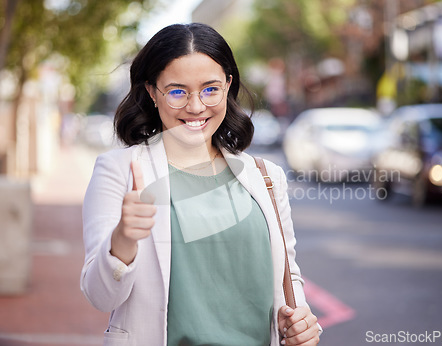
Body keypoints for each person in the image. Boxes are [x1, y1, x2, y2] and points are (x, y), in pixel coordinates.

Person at [81, 23, 321, 346]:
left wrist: (300, 322)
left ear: (228, 86)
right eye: (178, 91)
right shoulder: (119, 171)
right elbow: (100, 296)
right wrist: (123, 238)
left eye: (210, 89)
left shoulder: (266, 176)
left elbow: (287, 276)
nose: (196, 107)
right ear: (153, 92)